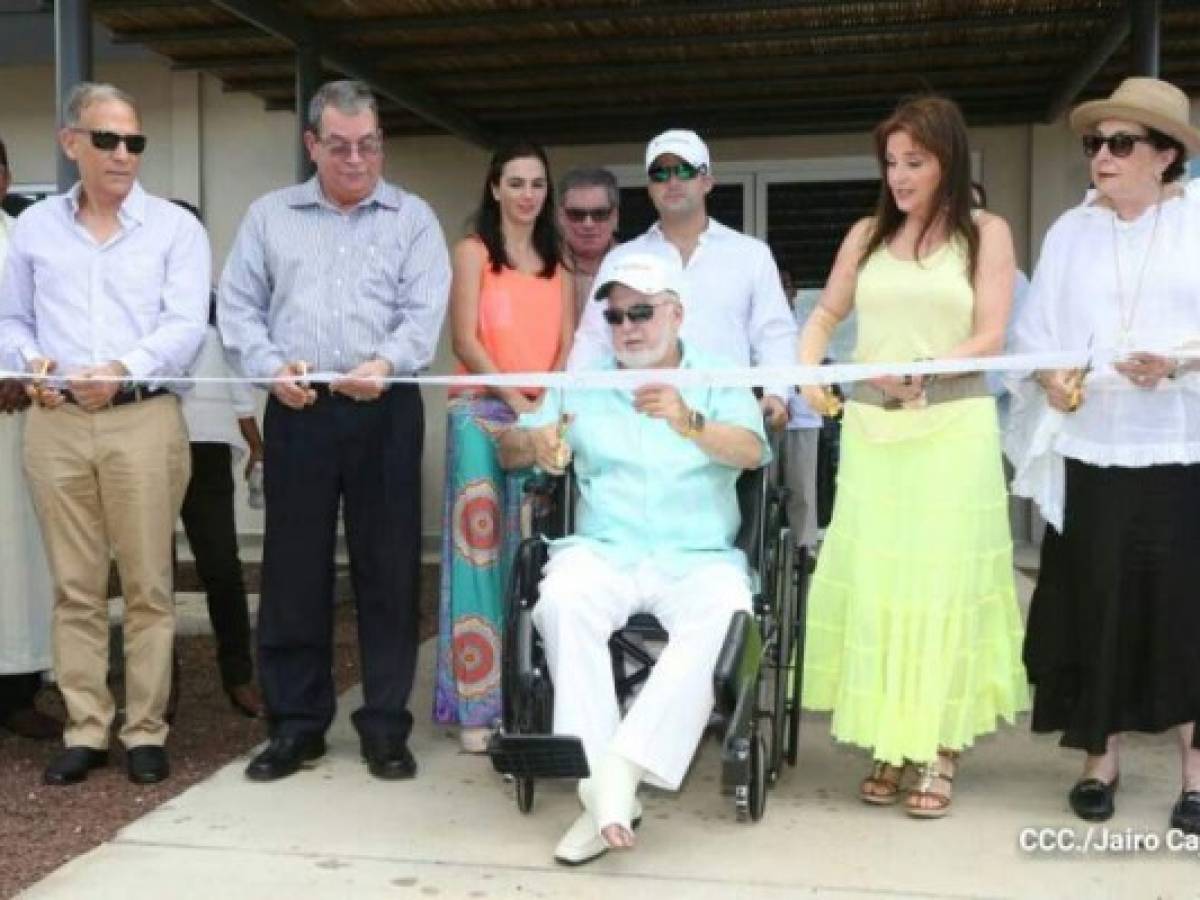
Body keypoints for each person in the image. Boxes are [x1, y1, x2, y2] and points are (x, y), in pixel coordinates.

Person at [797, 95, 1027, 818]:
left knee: (943, 590)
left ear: (947, 161)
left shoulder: (987, 232)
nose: (898, 176)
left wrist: (924, 368)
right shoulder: (867, 234)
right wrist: (809, 370)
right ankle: (891, 741)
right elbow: (826, 314)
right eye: (892, 162)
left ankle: (939, 747)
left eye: (914, 162)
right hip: (874, 434)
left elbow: (991, 333)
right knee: (882, 589)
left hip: (953, 429)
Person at [500, 253, 768, 865]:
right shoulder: (584, 381)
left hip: (697, 553)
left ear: (677, 314)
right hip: (606, 549)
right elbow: (511, 447)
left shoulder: (717, 377)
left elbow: (753, 452)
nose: (628, 327)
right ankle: (610, 788)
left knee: (727, 613)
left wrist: (689, 420)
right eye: (616, 316)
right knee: (562, 601)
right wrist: (535, 441)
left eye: (642, 312)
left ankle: (612, 778)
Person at [220, 80, 450, 783]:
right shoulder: (269, 216)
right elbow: (238, 308)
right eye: (341, 146)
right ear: (312, 144)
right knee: (292, 571)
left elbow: (424, 312)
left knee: (389, 569)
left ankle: (385, 726)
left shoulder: (413, 219)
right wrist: (269, 369)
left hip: (386, 406)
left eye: (369, 145)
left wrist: (387, 363)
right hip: (299, 408)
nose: (357, 159)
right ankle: (296, 726)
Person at [0, 83, 210, 785]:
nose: (123, 154)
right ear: (71, 143)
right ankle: (86, 728)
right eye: (107, 139)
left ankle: (146, 730)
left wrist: (121, 370)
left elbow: (185, 326)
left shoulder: (175, 228)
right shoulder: (34, 228)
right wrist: (34, 362)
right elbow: (11, 319)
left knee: (148, 584)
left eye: (134, 141)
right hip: (55, 423)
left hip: (143, 420)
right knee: (75, 586)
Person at [1006, 77, 1200, 836]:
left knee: (1186, 612)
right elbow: (1035, 336)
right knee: (1096, 603)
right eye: (1096, 143)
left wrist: (1179, 365)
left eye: (1122, 143)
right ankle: (1100, 759)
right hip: (1093, 453)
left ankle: (1195, 772)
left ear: (1166, 155)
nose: (1103, 157)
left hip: (1184, 453)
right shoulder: (1069, 232)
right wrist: (1051, 378)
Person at [434, 142, 573, 752]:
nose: (526, 195)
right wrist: (516, 399)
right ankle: (476, 707)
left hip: (540, 417)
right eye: (515, 182)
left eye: (537, 183)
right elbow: (465, 339)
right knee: (478, 557)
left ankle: (529, 697)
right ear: (494, 188)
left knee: (534, 556)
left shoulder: (558, 264)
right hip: (480, 414)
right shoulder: (472, 253)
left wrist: (543, 407)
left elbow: (567, 344)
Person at [568, 129, 795, 432]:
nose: (672, 181)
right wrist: (572, 405)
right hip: (639, 425)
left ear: (707, 181)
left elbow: (774, 333)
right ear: (650, 188)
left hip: (725, 423)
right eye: (660, 173)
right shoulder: (620, 258)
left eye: (684, 170)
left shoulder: (751, 254)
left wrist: (777, 394)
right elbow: (594, 341)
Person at [171, 200, 264, 720]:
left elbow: (237, 376)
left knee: (222, 566)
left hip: (205, 444)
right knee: (152, 574)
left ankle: (238, 675)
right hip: (145, 444)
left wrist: (254, 438)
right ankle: (159, 687)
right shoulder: (134, 300)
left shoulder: (218, 302)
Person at [0, 134, 59, 742]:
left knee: (19, 565)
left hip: (18, 423)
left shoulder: (27, 239)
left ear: (6, 177)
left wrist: (25, 374)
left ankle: (18, 692)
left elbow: (50, 318)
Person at [778, 266, 822, 555]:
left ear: (794, 291)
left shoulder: (809, 324)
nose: (781, 291)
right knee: (764, 491)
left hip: (803, 419)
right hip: (768, 416)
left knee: (802, 490)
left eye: (785, 284)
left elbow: (824, 366)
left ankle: (805, 551)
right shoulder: (758, 322)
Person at [558, 167, 619, 318]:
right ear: (561, 217)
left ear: (615, 217)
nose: (588, 224)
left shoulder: (637, 268)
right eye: (576, 214)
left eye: (599, 214)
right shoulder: (540, 268)